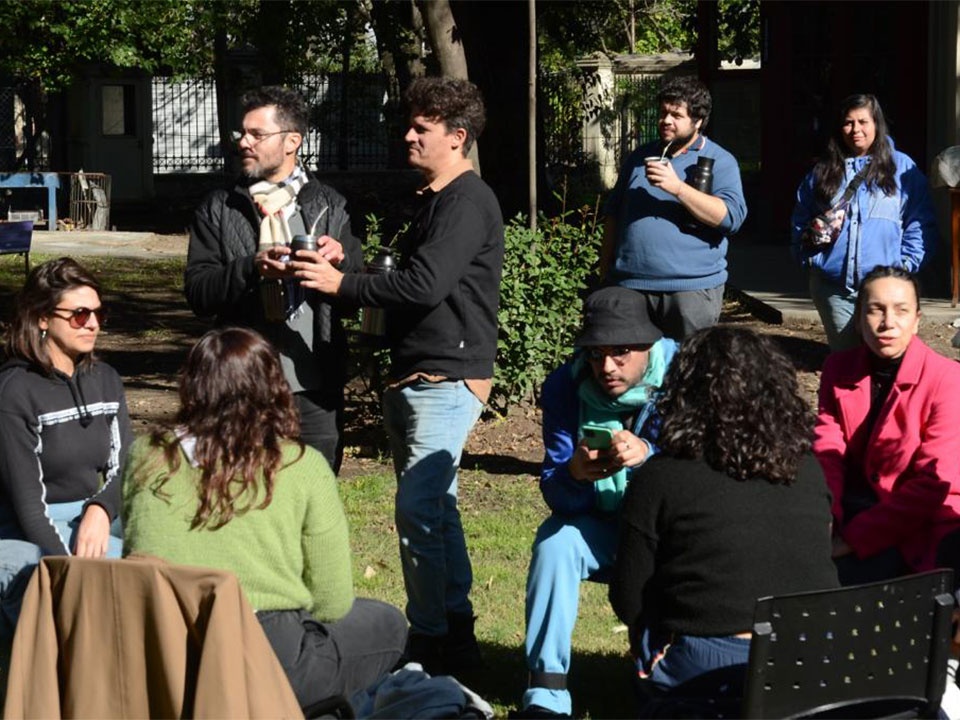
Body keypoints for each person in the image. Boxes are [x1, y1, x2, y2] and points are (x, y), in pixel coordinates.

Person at [290, 76, 504, 675]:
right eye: (408, 124)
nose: (406, 135)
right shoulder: (434, 198)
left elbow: (423, 286)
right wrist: (348, 260)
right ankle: (455, 637)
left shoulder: (466, 201)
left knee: (419, 509)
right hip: (416, 374)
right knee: (436, 509)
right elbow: (403, 274)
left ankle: (433, 638)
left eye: (421, 128)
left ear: (457, 137)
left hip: (445, 374)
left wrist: (341, 285)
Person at [122, 327, 407, 712]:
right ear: (275, 387)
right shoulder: (301, 466)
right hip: (269, 653)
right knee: (387, 622)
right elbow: (332, 600)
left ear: (192, 386)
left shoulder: (146, 456)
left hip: (166, 654)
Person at [609, 327, 838, 714]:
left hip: (708, 659)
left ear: (681, 393)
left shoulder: (661, 476)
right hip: (813, 653)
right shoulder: (807, 469)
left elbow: (629, 598)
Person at [513, 287, 679, 719]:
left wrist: (649, 456)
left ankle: (666, 675)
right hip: (606, 525)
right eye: (595, 353)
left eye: (621, 352)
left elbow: (707, 479)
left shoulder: (685, 379)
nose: (605, 366)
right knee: (556, 542)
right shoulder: (566, 386)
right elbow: (555, 489)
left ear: (649, 346)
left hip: (671, 534)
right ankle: (546, 693)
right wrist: (574, 474)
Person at [184, 85, 362, 472]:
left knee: (315, 502)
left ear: (291, 142)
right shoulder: (220, 207)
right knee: (243, 502)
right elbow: (198, 292)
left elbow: (356, 291)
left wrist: (340, 264)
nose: (244, 142)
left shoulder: (329, 205)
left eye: (257, 134)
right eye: (242, 133)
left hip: (315, 387)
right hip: (240, 386)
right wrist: (251, 267)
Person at [814, 266, 960, 586]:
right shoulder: (838, 368)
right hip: (850, 505)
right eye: (875, 310)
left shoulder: (946, 379)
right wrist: (827, 518)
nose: (888, 323)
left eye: (901, 310)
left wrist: (852, 539)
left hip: (911, 522)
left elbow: (933, 485)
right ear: (858, 317)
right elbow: (828, 451)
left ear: (918, 320)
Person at [0, 257, 131, 560]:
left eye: (99, 313)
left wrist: (99, 508)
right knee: (124, 563)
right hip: (27, 528)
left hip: (93, 512)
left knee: (166, 542)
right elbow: (30, 511)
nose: (93, 324)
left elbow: (126, 470)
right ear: (43, 318)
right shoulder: (14, 392)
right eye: (79, 315)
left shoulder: (106, 380)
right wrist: (72, 574)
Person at [601, 76, 747, 340]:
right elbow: (613, 215)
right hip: (629, 287)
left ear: (699, 121)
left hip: (689, 291)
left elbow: (731, 218)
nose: (666, 120)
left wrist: (677, 187)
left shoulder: (720, 160)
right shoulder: (638, 157)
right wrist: (604, 277)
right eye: (663, 113)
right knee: (633, 375)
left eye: (676, 115)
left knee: (688, 372)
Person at [791, 94, 937, 351]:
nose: (855, 130)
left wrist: (905, 265)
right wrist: (811, 259)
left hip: (885, 288)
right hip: (834, 288)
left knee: (886, 357)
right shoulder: (823, 170)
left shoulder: (902, 169)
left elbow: (920, 222)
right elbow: (801, 217)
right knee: (848, 361)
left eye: (863, 121)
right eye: (848, 123)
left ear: (877, 124)